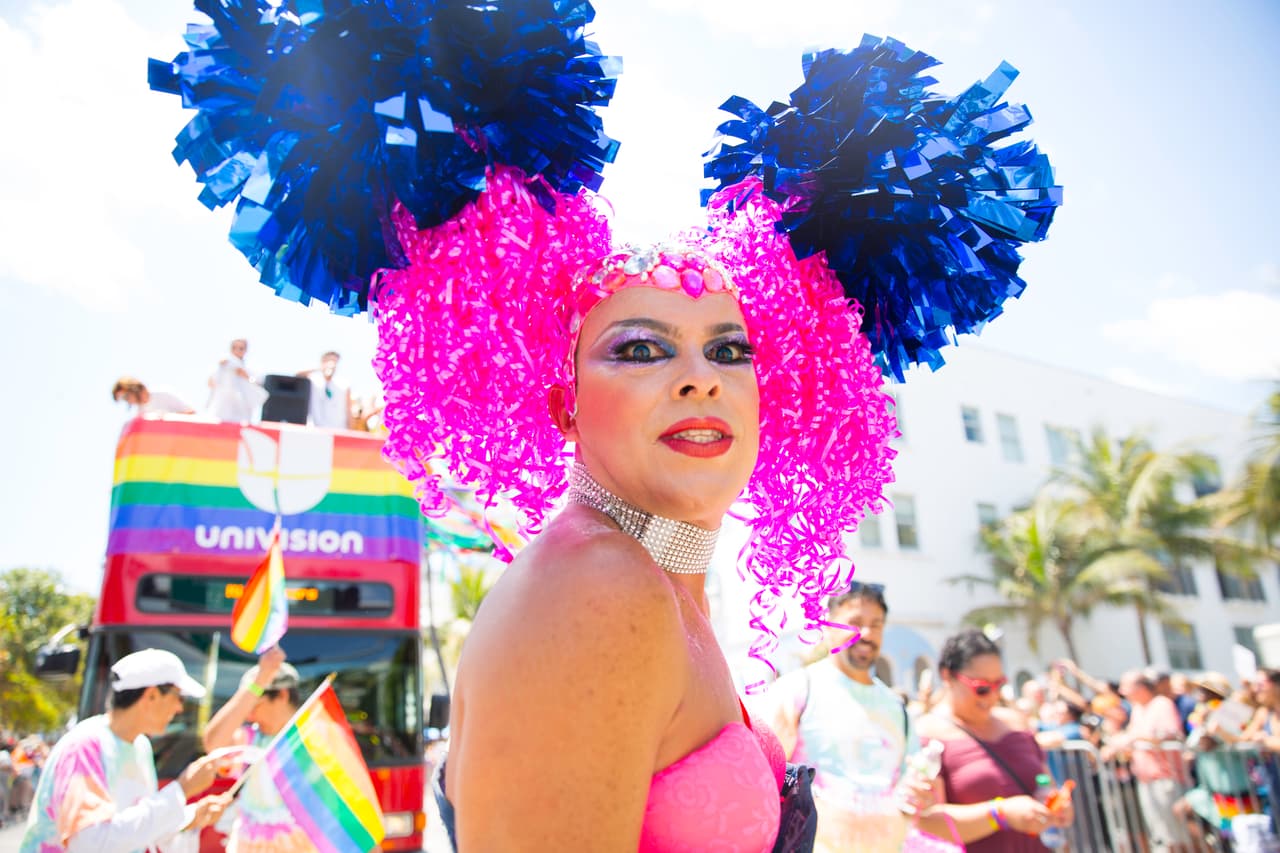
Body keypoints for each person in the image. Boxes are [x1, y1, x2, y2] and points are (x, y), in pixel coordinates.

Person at [764, 581, 931, 852]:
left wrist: (921, 792)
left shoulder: (897, 708)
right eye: (855, 622)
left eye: (876, 624)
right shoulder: (797, 690)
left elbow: (912, 786)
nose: (866, 633)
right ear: (829, 624)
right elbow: (767, 778)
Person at [20, 648, 229, 852]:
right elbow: (89, 843)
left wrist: (192, 816)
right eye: (178, 697)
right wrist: (181, 790)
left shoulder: (140, 746)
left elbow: (133, 828)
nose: (180, 708)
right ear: (152, 695)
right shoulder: (84, 747)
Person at [915, 629, 1074, 851]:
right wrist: (1000, 814)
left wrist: (1053, 800)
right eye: (981, 688)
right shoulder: (928, 734)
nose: (991, 696)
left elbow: (1044, 779)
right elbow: (928, 820)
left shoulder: (1015, 723)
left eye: (998, 685)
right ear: (947, 676)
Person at [202, 647, 312, 852]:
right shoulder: (250, 738)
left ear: (282, 695)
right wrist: (258, 682)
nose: (248, 716)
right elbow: (213, 744)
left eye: (254, 705)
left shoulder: (315, 736)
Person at [1101, 669, 1191, 853]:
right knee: (1162, 834)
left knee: (1177, 835)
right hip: (1146, 779)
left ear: (1141, 687)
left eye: (1127, 687)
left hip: (1167, 778)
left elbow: (1170, 734)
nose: (1123, 692)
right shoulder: (1138, 709)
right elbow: (1132, 736)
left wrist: (1136, 739)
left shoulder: (1162, 704)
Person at [207, 338, 267, 423]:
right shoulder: (224, 364)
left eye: (241, 348)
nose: (237, 350)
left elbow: (258, 382)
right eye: (234, 347)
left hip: (241, 410)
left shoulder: (250, 368)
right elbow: (210, 383)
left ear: (246, 350)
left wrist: (245, 375)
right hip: (222, 408)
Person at [297, 352, 350, 429]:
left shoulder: (344, 385)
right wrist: (321, 368)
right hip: (316, 429)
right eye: (329, 360)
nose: (333, 364)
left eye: (335, 361)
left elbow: (348, 410)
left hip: (338, 430)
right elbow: (298, 374)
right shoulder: (313, 380)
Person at [111, 377, 195, 415]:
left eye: (124, 397)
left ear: (132, 388)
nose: (127, 401)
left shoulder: (163, 394)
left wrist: (167, 417)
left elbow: (191, 412)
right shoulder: (140, 415)